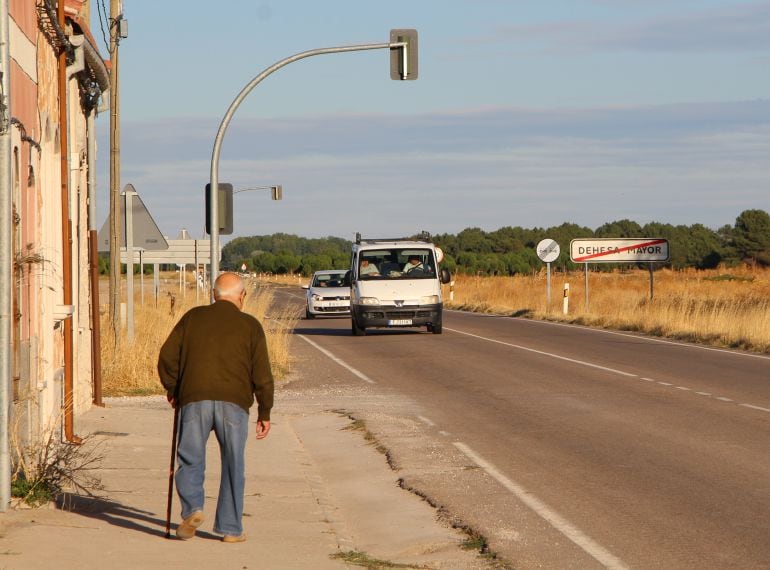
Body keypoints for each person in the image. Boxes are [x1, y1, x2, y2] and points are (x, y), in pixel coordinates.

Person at [157, 272, 274, 543]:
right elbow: (263, 375)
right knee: (234, 463)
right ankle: (231, 529)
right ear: (242, 296)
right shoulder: (250, 326)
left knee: (190, 457)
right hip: (234, 404)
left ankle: (193, 509)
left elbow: (167, 357)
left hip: (194, 399)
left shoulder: (193, 318)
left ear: (213, 294)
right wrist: (264, 412)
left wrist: (174, 389)